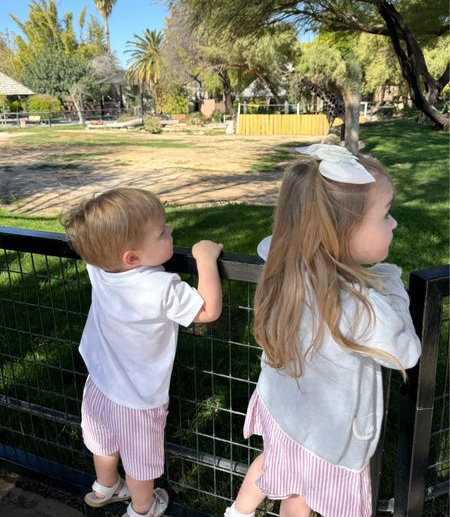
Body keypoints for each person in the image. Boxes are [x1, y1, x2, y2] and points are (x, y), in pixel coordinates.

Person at [225, 144, 421, 517]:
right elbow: (405, 350)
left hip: (286, 413)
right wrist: (389, 278)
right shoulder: (356, 306)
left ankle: (237, 513)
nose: (394, 223)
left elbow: (271, 243)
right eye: (386, 215)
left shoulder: (286, 265)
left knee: (280, 468)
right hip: (329, 438)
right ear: (342, 231)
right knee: (305, 496)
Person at [61, 187, 223, 517]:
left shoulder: (102, 270)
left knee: (103, 443)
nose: (171, 230)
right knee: (140, 459)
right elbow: (207, 310)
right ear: (133, 258)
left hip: (100, 384)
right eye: (162, 231)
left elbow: (96, 251)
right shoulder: (161, 288)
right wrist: (205, 259)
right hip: (138, 398)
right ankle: (143, 507)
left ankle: (105, 486)